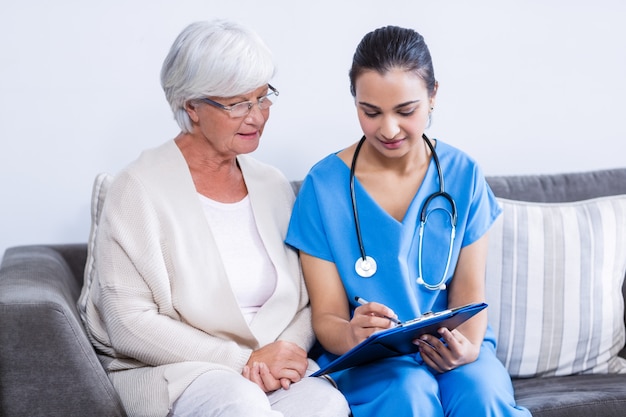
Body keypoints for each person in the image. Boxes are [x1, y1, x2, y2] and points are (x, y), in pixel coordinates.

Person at [77, 19, 349, 417]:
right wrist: (245, 361)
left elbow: (308, 301)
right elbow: (129, 322)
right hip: (177, 372)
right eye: (239, 103)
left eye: (263, 97)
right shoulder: (136, 187)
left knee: (325, 402)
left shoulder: (272, 184)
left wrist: (285, 352)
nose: (257, 116)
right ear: (193, 107)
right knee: (240, 404)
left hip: (271, 369)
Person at [286, 25, 532, 417]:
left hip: (454, 342)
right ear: (355, 102)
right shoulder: (323, 187)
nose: (388, 129)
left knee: (481, 394)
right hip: (371, 359)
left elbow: (469, 292)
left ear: (433, 95)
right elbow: (327, 315)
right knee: (408, 393)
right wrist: (351, 332)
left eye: (406, 111)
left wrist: (465, 348)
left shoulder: (462, 173)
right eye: (371, 112)